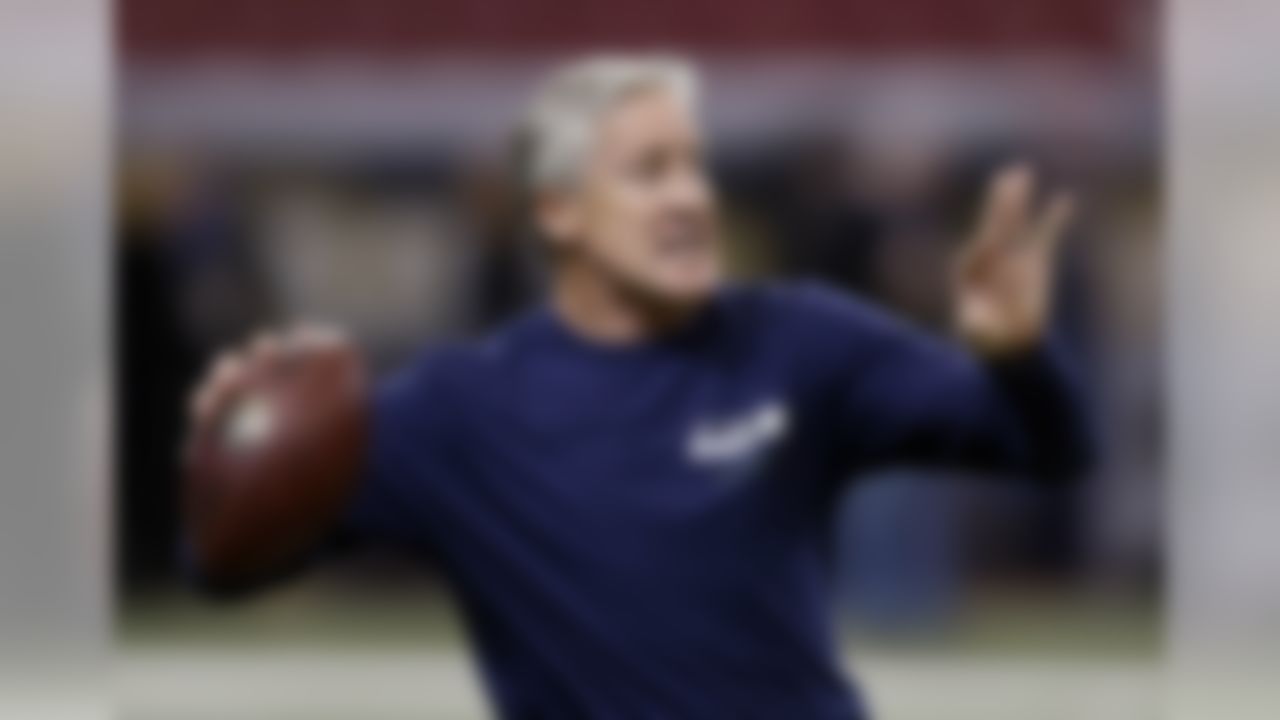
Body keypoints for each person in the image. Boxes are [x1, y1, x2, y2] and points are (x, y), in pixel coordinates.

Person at [186, 55, 1092, 719]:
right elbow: (223, 567)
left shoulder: (803, 340)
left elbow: (1056, 451)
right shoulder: (460, 410)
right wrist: (231, 450)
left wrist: (1018, 355)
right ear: (558, 209)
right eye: (648, 171)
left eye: (695, 166)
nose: (689, 197)